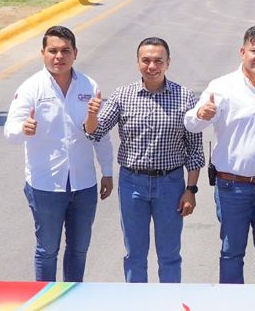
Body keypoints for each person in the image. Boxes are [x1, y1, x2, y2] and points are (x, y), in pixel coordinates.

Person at [184, 26, 255, 283]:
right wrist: (201, 114)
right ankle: (232, 305)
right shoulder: (222, 87)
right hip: (232, 188)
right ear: (242, 52)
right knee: (231, 253)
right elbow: (191, 124)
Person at [86, 37, 204, 283]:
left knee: (169, 255)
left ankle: (170, 303)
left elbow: (194, 149)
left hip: (170, 185)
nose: (152, 66)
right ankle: (136, 302)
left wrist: (191, 190)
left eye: (158, 61)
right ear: (138, 62)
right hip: (132, 184)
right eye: (146, 60)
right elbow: (95, 132)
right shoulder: (122, 95)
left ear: (168, 63)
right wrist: (92, 115)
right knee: (135, 254)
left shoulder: (184, 97)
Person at [3, 25, 114, 283]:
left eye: (65, 50)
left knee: (79, 249)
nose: (59, 57)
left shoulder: (89, 86)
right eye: (53, 51)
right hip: (46, 185)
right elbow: (10, 132)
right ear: (42, 53)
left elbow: (100, 133)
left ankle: (72, 299)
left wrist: (107, 171)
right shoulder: (31, 88)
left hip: (84, 184)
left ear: (75, 53)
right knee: (47, 251)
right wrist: (23, 129)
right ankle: (47, 303)